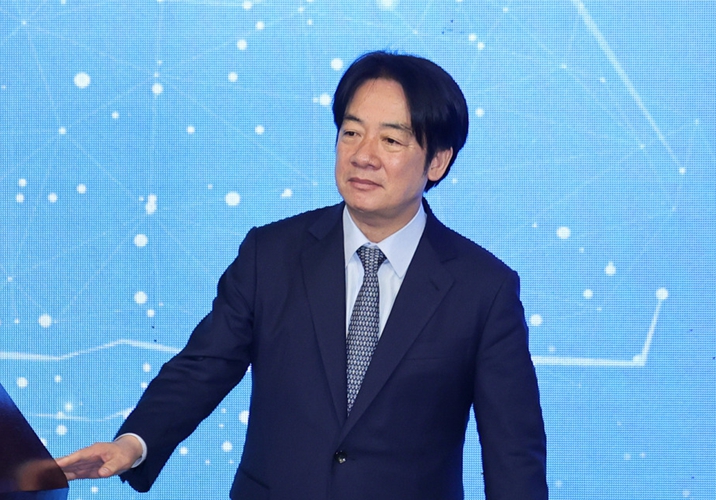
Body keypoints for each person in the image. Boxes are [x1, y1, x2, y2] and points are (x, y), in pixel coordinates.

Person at [57, 50, 548, 499]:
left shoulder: (483, 289)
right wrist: (134, 443)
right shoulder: (271, 255)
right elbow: (203, 366)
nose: (363, 155)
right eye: (351, 132)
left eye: (391, 139)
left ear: (437, 161)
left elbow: (513, 452)